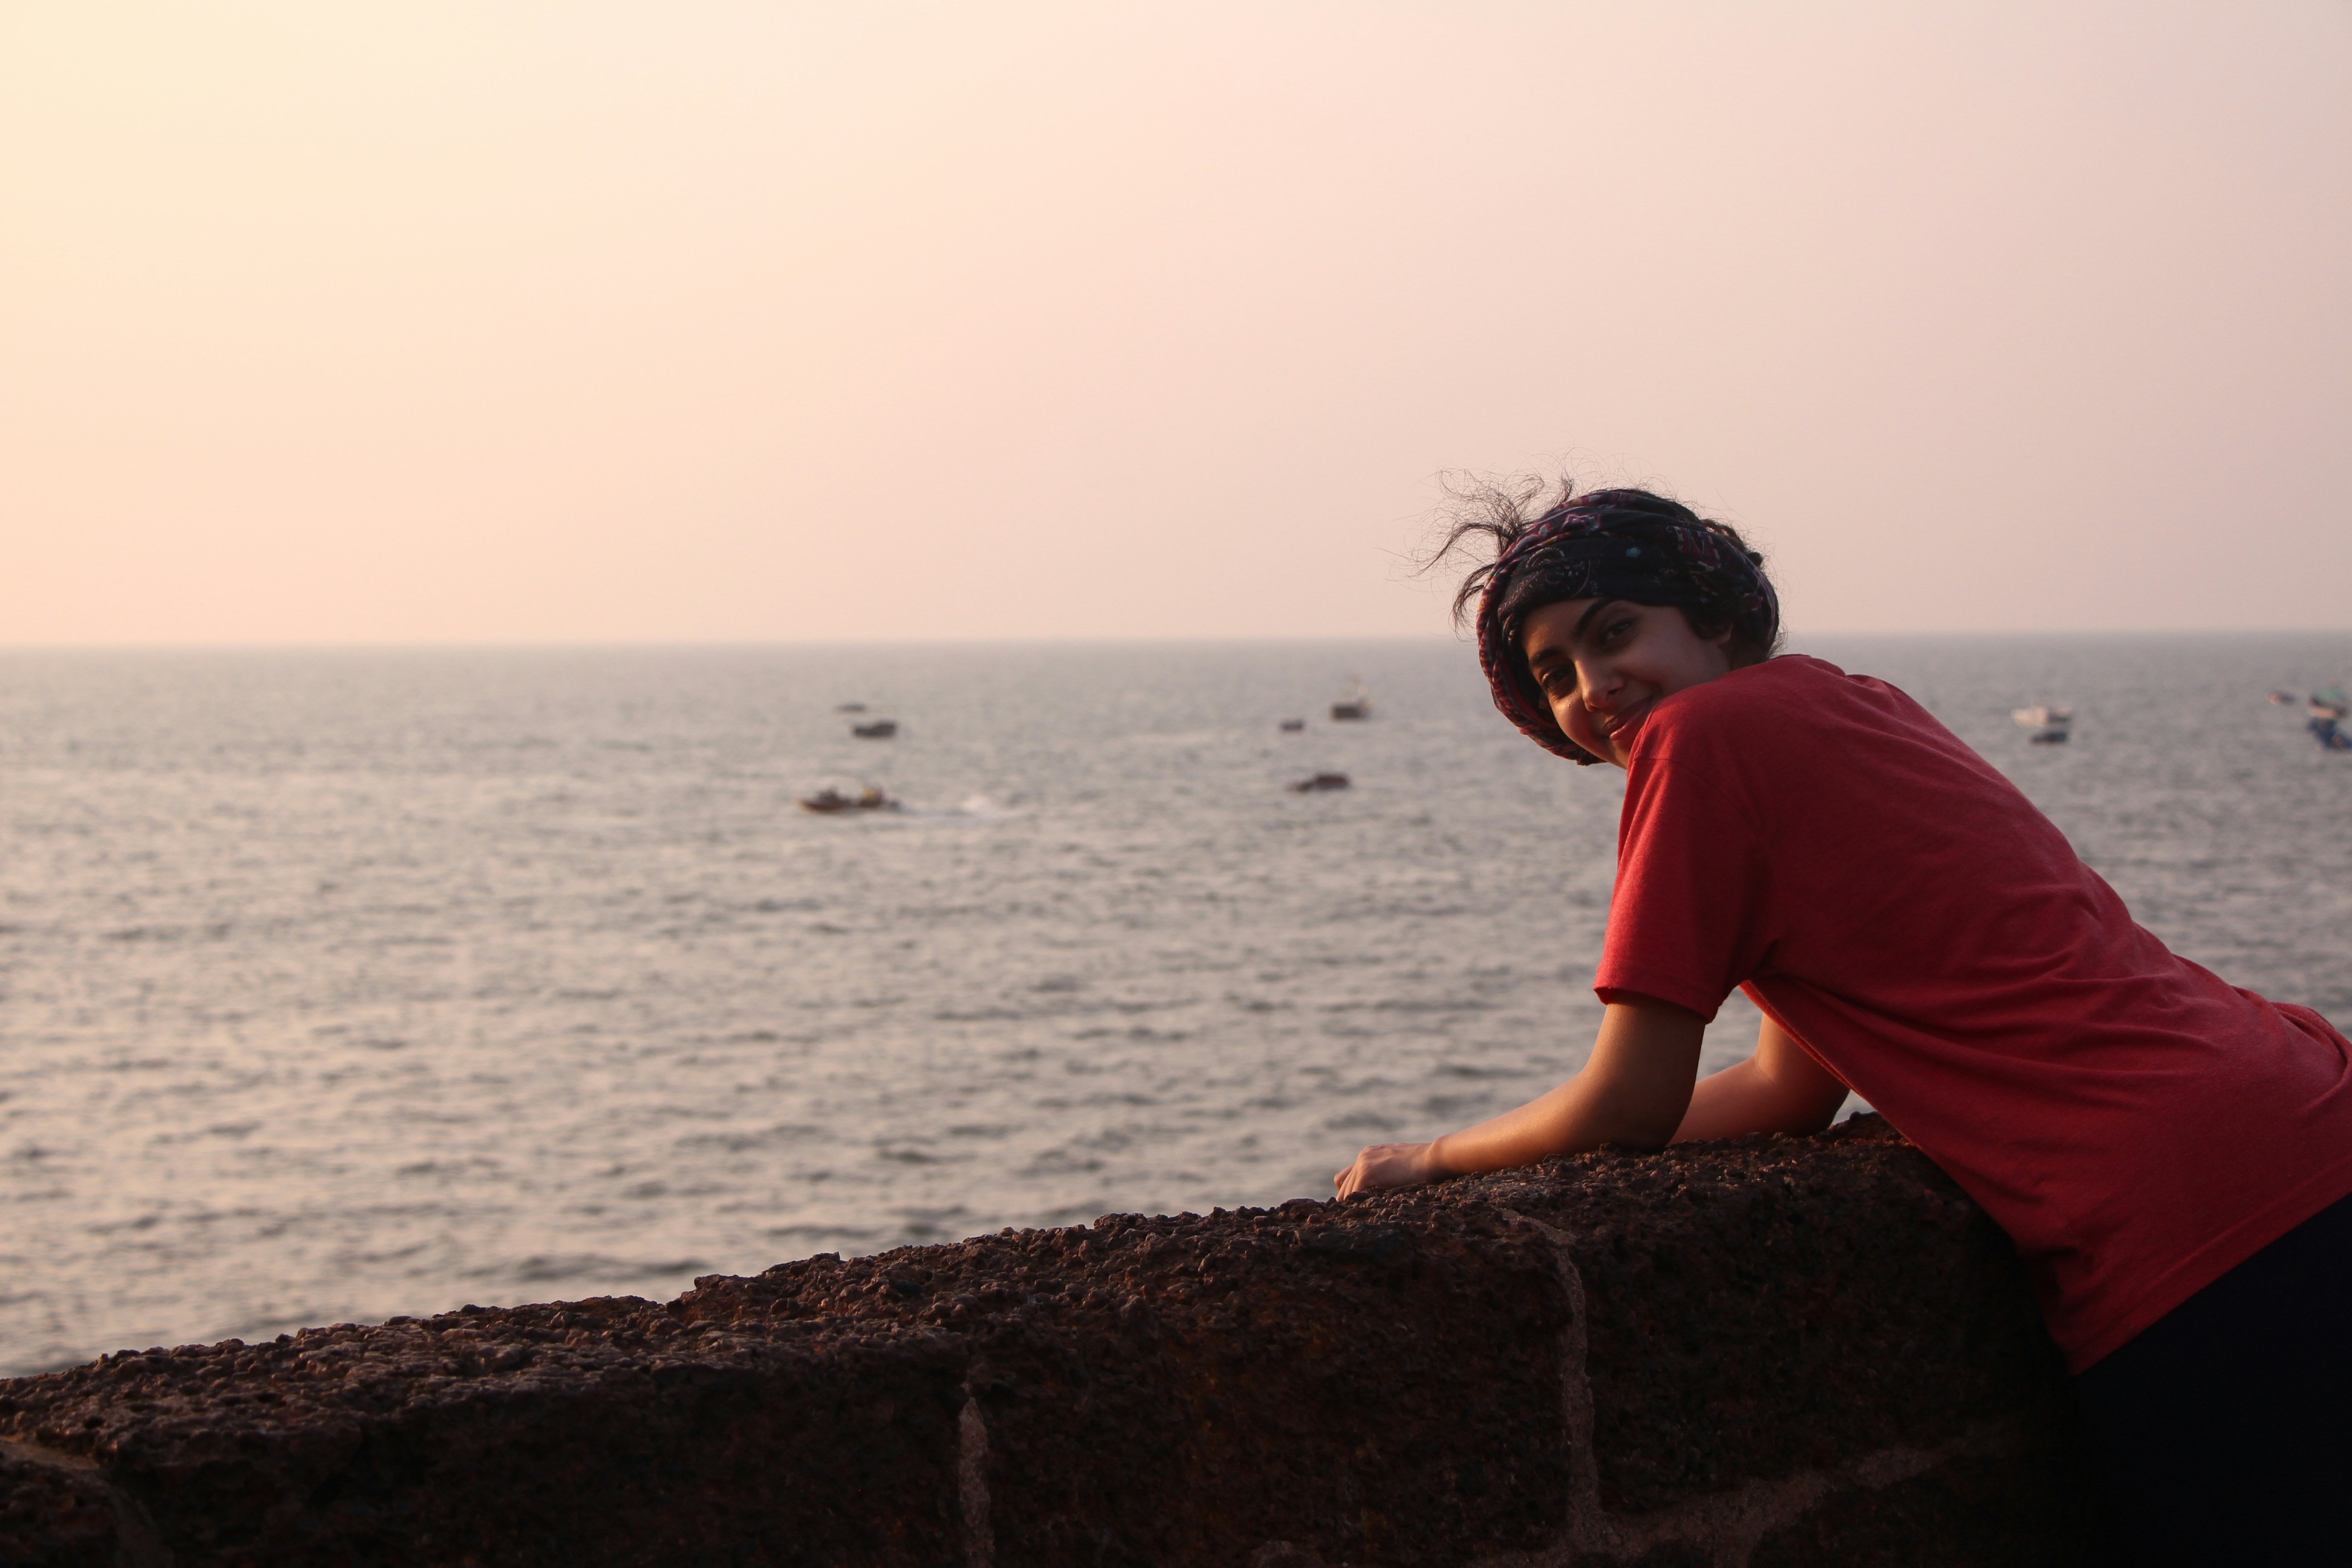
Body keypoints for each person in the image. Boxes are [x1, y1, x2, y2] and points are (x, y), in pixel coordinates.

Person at [1330, 481, 2352, 1565]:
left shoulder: (1699, 740)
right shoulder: (1851, 701)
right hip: (2304, 1106)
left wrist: (1433, 1161)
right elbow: (1790, 1088)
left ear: (1716, 617)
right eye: (1555, 675)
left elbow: (1629, 1101)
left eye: (1615, 632)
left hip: (2192, 1219)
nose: (1594, 686)